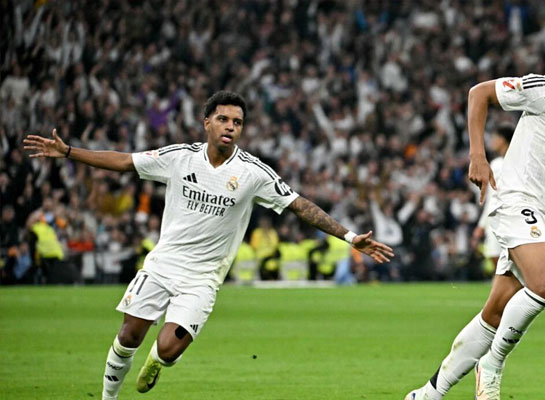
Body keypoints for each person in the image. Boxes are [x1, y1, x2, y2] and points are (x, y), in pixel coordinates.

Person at [23, 91, 394, 400]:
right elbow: (123, 162)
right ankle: (108, 398)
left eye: (237, 122)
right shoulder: (179, 157)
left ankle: (157, 360)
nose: (231, 127)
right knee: (128, 335)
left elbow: (299, 204)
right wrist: (69, 151)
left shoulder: (253, 173)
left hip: (202, 279)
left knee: (167, 349)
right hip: (162, 264)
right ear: (207, 123)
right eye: (223, 119)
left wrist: (349, 236)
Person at [405, 30, 545, 400]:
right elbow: (479, 92)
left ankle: (428, 393)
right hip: (517, 198)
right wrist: (477, 155)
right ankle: (492, 365)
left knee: (494, 314)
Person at [472, 125, 514, 273]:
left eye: (496, 138)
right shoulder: (495, 164)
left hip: (512, 216)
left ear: (504, 140)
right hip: (495, 217)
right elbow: (492, 197)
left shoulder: (518, 162)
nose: (493, 141)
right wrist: (482, 225)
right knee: (495, 258)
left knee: (508, 260)